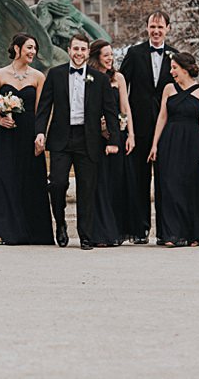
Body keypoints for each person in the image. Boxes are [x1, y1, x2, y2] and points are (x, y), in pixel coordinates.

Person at [35, 33, 120, 250]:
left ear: (87, 51)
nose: (79, 53)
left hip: (88, 139)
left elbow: (111, 111)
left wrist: (113, 140)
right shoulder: (55, 74)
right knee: (57, 183)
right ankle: (61, 223)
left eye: (83, 49)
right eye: (75, 49)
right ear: (69, 49)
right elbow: (44, 107)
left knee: (87, 188)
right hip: (61, 138)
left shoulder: (100, 79)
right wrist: (40, 132)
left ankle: (85, 235)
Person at [0, 34, 53, 245]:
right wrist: (0, 119)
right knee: (1, 179)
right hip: (3, 135)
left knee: (29, 179)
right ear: (17, 48)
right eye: (29, 47)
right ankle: (0, 228)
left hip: (28, 134)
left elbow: (41, 110)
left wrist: (40, 134)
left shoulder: (38, 77)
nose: (32, 51)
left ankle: (32, 230)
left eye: (34, 48)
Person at [119, 11, 177, 244]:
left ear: (168, 29)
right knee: (138, 181)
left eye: (160, 27)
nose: (156, 31)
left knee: (166, 180)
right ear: (146, 27)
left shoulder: (176, 56)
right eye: (152, 26)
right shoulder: (134, 53)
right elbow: (121, 87)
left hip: (166, 129)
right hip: (139, 128)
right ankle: (140, 230)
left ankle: (166, 231)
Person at [148, 52, 199, 247]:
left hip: (192, 141)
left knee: (192, 185)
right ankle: (172, 234)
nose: (171, 71)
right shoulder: (169, 88)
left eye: (174, 68)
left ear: (185, 69)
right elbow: (162, 117)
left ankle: (194, 234)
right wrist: (154, 144)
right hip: (169, 140)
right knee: (169, 185)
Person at [86, 39, 136, 247]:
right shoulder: (88, 77)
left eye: (111, 55)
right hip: (95, 138)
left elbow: (125, 107)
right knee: (99, 185)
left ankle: (116, 230)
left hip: (117, 136)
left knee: (117, 183)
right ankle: (100, 232)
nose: (110, 59)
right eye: (106, 55)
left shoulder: (119, 78)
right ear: (97, 56)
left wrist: (131, 134)